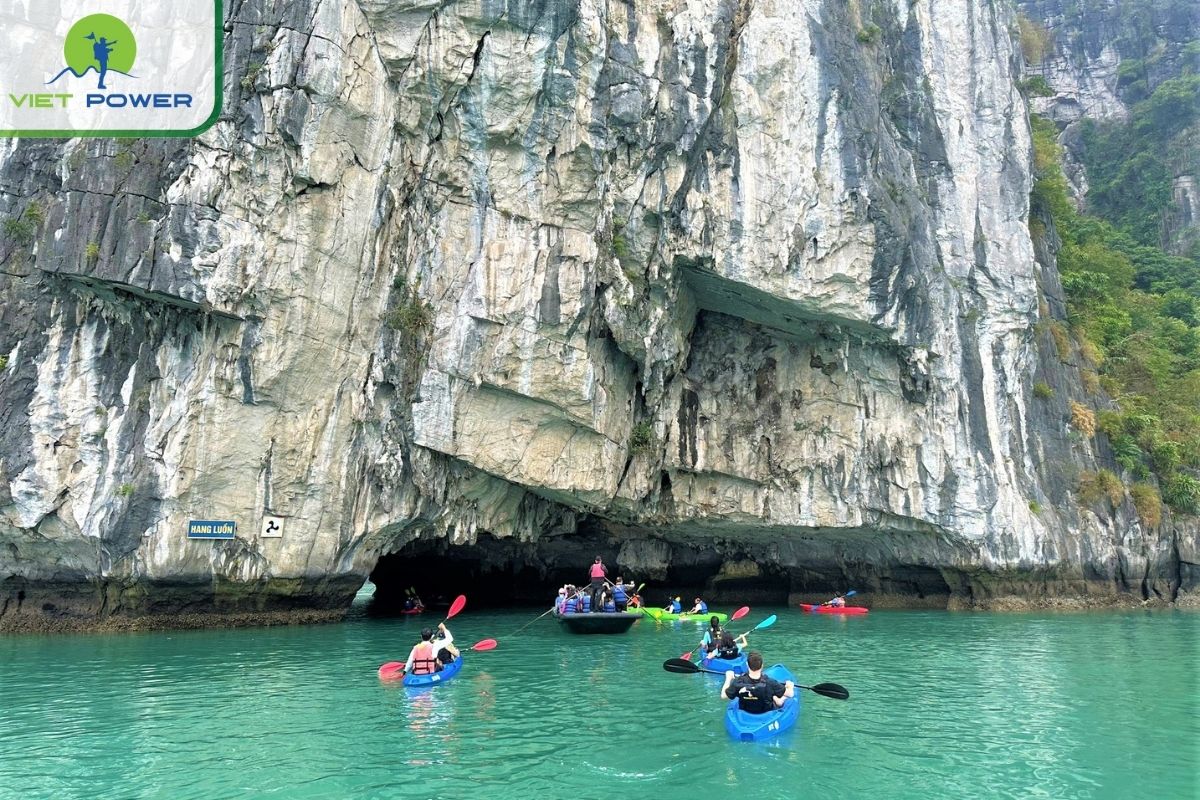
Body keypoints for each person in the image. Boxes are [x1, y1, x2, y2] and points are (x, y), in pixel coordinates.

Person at [720, 652, 794, 714]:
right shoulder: (770, 682)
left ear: (747, 665)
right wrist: (790, 686)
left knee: (770, 692)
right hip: (766, 713)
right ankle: (778, 700)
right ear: (762, 665)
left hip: (746, 713)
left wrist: (728, 678)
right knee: (772, 692)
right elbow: (790, 694)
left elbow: (723, 695)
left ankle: (776, 699)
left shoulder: (738, 682)